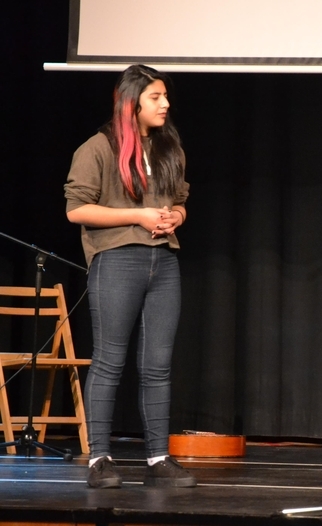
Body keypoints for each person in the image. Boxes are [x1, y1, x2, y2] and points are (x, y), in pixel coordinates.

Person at [64, 64, 196, 489]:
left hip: (164, 263)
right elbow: (77, 210)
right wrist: (137, 216)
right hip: (117, 262)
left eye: (165, 96)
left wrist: (175, 217)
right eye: (155, 97)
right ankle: (99, 458)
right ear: (131, 102)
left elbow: (180, 200)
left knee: (157, 366)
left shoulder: (168, 148)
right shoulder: (98, 148)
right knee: (109, 361)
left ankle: (158, 458)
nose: (165, 104)